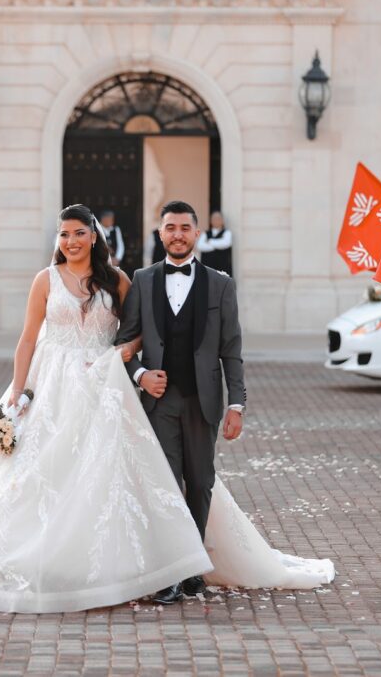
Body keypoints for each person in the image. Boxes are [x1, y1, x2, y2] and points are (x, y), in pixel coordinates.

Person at [0, 204, 334, 611]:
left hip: (102, 386)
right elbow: (26, 340)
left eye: (78, 233)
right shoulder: (44, 281)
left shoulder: (121, 282)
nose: (70, 242)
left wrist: (118, 362)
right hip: (50, 385)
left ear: (94, 236)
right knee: (35, 475)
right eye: (63, 234)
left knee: (116, 474)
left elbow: (134, 337)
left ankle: (165, 566)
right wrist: (19, 393)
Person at [116, 200, 330, 603]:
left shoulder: (220, 284)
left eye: (184, 227)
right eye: (170, 227)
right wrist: (142, 375)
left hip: (204, 401)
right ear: (160, 233)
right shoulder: (141, 280)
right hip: (158, 404)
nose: (177, 234)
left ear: (197, 234)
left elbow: (231, 349)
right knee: (166, 484)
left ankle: (194, 564)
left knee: (200, 483)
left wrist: (237, 405)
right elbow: (123, 343)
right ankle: (171, 572)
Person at [196, 211, 233, 275]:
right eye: (214, 219)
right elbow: (200, 246)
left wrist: (210, 242)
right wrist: (217, 245)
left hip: (223, 269)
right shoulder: (205, 233)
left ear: (222, 221)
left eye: (218, 218)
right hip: (208, 269)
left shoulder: (227, 233)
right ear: (211, 221)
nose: (216, 220)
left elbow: (226, 243)